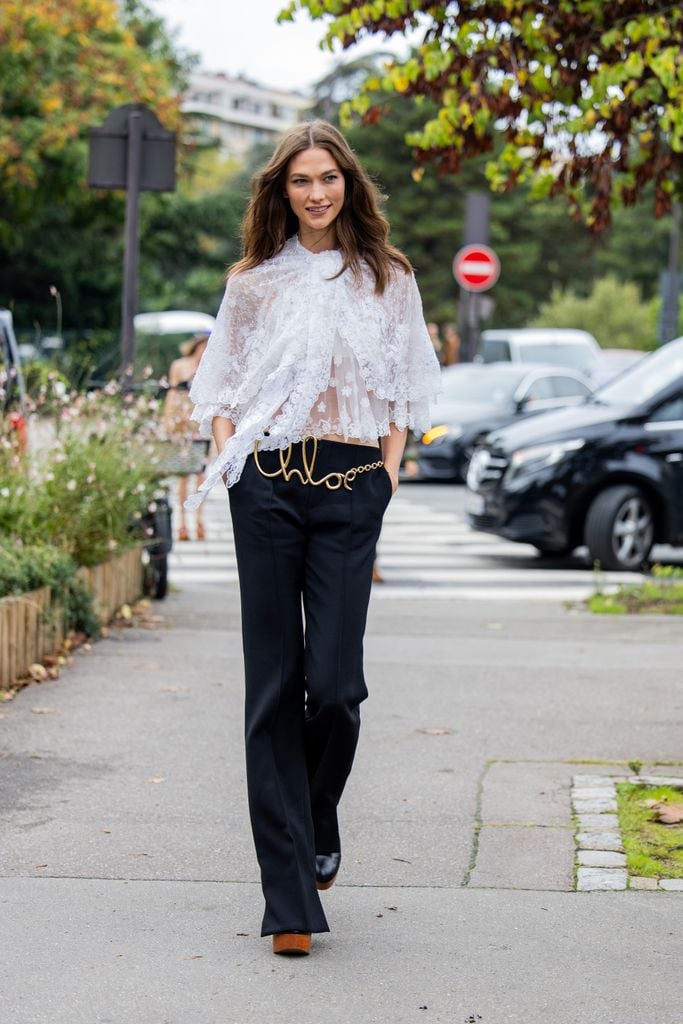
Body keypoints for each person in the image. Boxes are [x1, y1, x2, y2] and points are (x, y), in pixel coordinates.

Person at [185, 120, 441, 956]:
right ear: (281, 192)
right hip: (263, 485)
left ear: (348, 184)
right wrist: (233, 460)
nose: (316, 192)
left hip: (348, 489)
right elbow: (219, 383)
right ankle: (288, 903)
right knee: (273, 688)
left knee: (334, 687)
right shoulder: (254, 282)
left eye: (328, 177)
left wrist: (388, 473)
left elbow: (407, 388)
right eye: (300, 181)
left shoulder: (387, 279)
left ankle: (318, 807)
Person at [163, 333, 209, 541]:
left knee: (201, 476)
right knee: (183, 476)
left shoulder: (212, 366)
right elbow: (172, 393)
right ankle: (182, 523)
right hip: (183, 423)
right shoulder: (180, 365)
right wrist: (168, 421)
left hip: (201, 425)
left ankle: (199, 520)